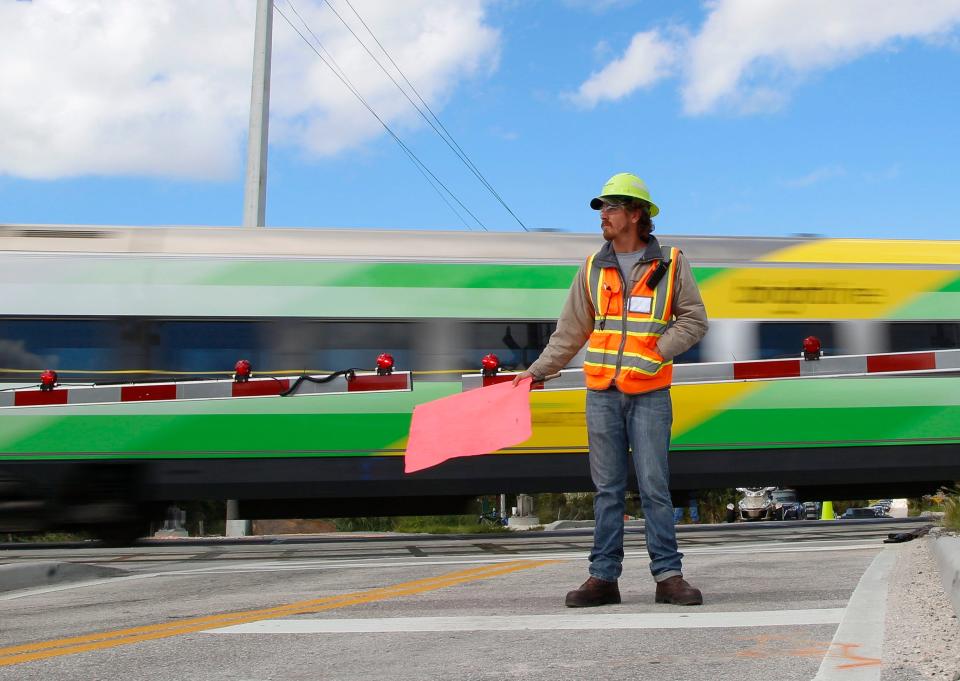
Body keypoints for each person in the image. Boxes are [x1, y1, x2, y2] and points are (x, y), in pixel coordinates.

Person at [514, 172, 708, 607]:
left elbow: (694, 320)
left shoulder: (672, 263)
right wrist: (536, 372)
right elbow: (570, 333)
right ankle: (603, 578)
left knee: (655, 486)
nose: (603, 215)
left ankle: (668, 576)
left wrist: (657, 350)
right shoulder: (591, 268)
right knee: (607, 490)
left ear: (636, 214)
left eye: (611, 207)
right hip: (601, 392)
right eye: (601, 208)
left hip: (650, 392)